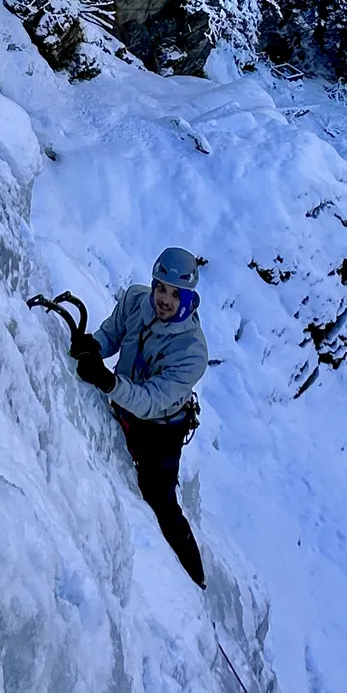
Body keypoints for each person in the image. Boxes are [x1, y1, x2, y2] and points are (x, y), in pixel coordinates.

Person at [71, 249, 209, 587]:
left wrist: (108, 381)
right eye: (161, 288)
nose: (164, 299)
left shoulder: (192, 353)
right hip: (122, 402)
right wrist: (93, 347)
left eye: (175, 294)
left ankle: (194, 579)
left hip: (161, 430)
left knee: (159, 501)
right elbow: (113, 333)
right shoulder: (136, 300)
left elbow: (150, 401)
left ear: (189, 299)